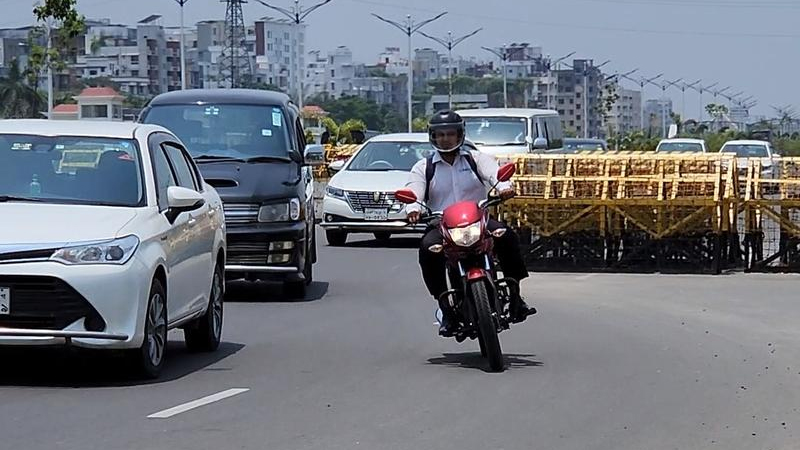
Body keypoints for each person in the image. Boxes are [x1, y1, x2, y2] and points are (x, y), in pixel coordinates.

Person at [405, 110, 536, 336]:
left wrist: (504, 187)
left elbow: (494, 174)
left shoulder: (475, 159)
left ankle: (515, 294)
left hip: (479, 221)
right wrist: (413, 208)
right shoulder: (424, 167)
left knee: (506, 235)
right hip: (442, 225)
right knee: (427, 249)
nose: (445, 138)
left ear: (460, 135)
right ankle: (444, 306)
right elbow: (413, 191)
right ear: (433, 137)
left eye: (450, 133)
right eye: (440, 134)